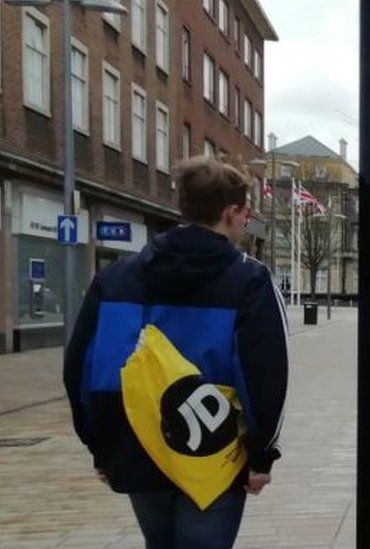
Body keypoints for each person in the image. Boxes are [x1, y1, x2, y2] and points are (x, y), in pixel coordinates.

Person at [64, 157, 289, 548]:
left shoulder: (116, 277)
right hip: (211, 443)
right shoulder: (248, 280)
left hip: (136, 442)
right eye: (244, 214)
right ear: (231, 213)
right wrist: (261, 453)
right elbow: (265, 373)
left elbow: (82, 366)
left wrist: (99, 445)